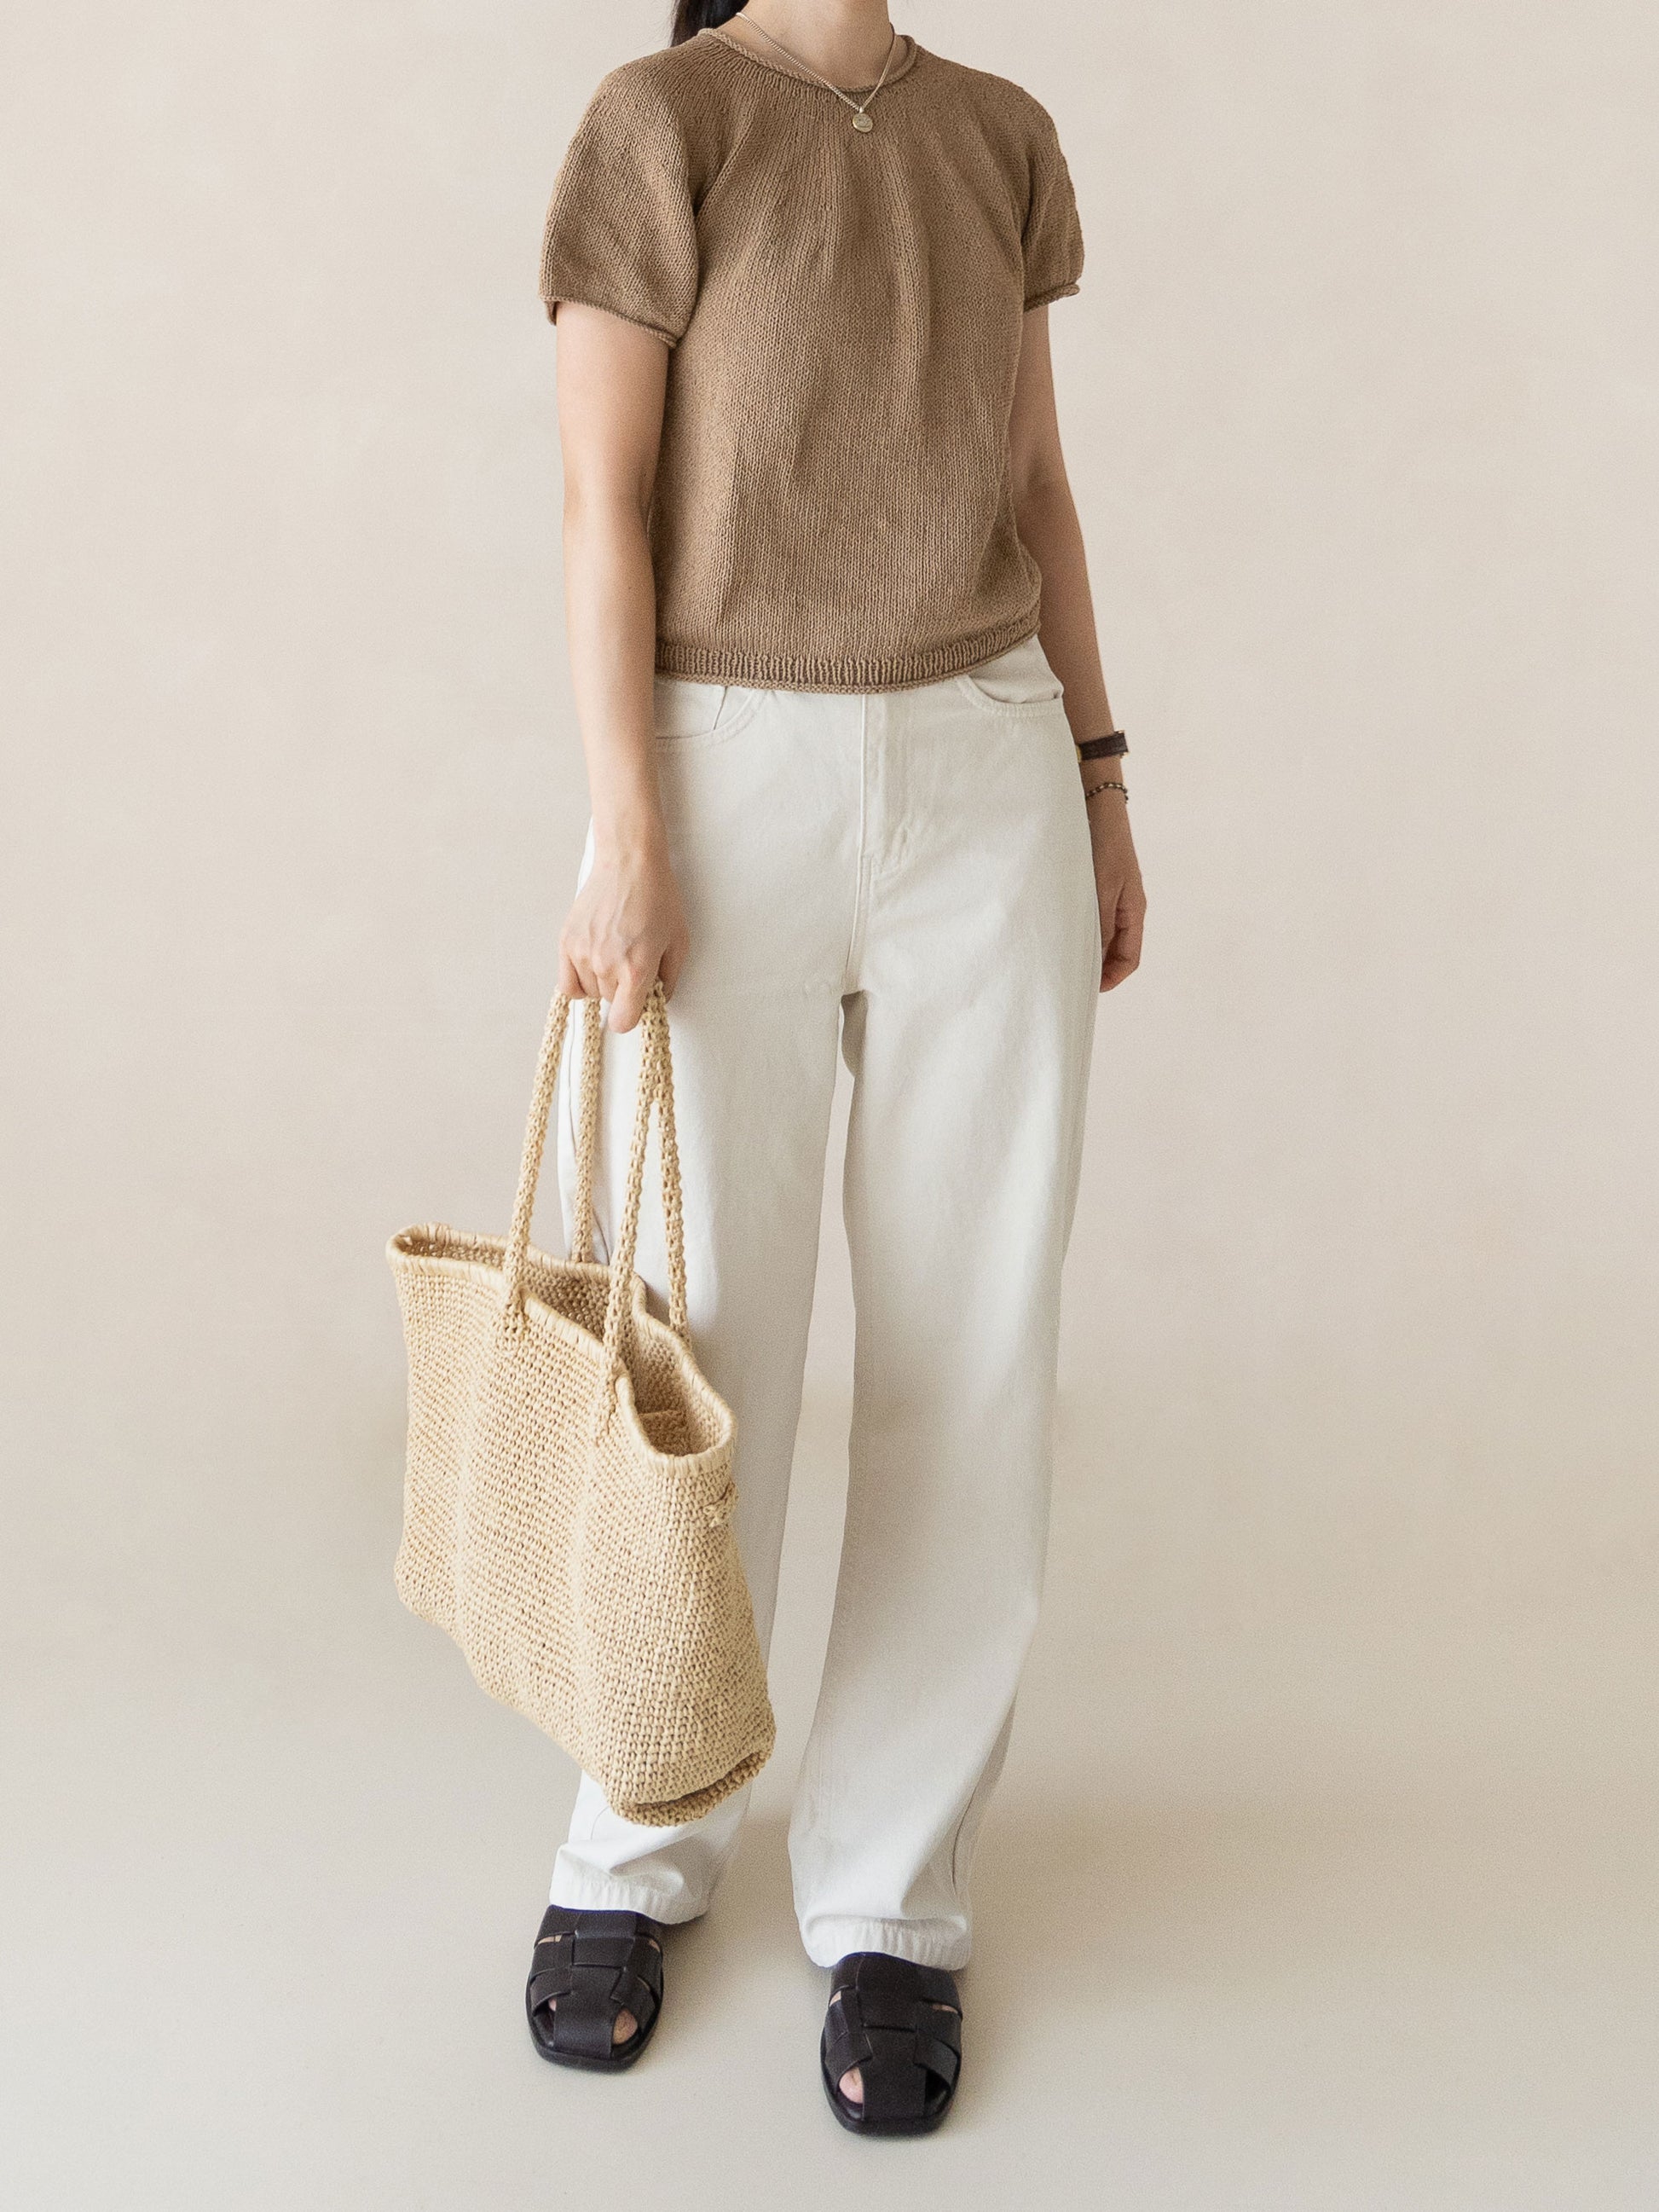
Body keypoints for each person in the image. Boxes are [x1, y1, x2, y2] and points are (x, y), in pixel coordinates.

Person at [522, 0, 1144, 2136]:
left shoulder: (1000, 135)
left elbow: (1036, 482)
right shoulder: (661, 123)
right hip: (725, 767)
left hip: (987, 771)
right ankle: (635, 1839)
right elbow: (602, 499)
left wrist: (1100, 778)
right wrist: (625, 826)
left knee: (971, 1343)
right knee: (694, 1344)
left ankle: (894, 1895)